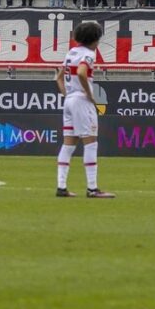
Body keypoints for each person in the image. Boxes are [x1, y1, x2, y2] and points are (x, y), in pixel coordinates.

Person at [55, 20, 114, 198]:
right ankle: (92, 188)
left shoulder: (71, 53)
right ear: (95, 39)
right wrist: (88, 93)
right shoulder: (88, 54)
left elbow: (58, 78)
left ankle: (61, 187)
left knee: (68, 144)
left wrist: (68, 94)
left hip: (70, 100)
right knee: (91, 143)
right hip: (81, 101)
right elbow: (81, 72)